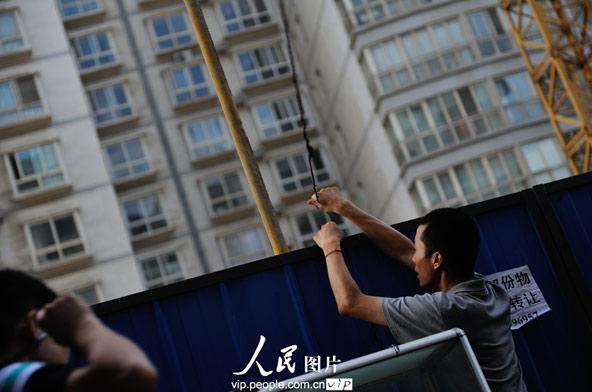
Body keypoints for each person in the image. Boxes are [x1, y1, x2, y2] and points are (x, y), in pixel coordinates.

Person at [308, 187, 527, 392]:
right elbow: (404, 250)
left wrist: (330, 246)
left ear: (437, 259)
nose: (413, 256)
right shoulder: (489, 291)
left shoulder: (445, 310)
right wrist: (343, 207)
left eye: (419, 249)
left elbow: (351, 303)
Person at [0, 269, 158, 392]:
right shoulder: (15, 379)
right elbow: (130, 372)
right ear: (34, 325)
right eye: (61, 334)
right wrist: (84, 324)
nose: (68, 351)